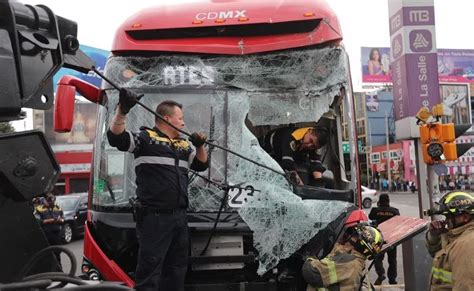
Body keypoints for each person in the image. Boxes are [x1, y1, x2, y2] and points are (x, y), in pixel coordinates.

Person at [107, 89, 209, 291]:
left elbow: (200, 165)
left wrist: (199, 146)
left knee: (177, 270)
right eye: (180, 118)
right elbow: (116, 138)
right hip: (154, 218)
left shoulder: (183, 145)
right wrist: (122, 111)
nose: (183, 123)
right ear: (167, 118)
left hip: (180, 217)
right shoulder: (146, 139)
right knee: (150, 272)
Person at [302, 223, 384, 290]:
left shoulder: (348, 261)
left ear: (360, 244)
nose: (350, 237)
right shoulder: (357, 262)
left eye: (355, 236)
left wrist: (310, 257)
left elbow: (312, 272)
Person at [425, 191, 474, 290]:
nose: (446, 221)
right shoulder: (458, 236)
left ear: (465, 217)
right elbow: (437, 254)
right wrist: (435, 236)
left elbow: (464, 286)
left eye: (449, 217)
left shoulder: (466, 244)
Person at [261, 126, 328, 186]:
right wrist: (302, 187)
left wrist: (319, 184)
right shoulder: (290, 136)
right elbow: (288, 165)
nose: (309, 145)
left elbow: (316, 164)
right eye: (310, 140)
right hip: (266, 151)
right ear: (309, 131)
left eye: (313, 146)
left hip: (290, 157)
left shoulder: (315, 145)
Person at [369, 193, 400, 285]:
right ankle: (392, 279)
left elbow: (370, 217)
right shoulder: (394, 211)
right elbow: (399, 221)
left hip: (379, 239)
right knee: (392, 260)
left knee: (377, 258)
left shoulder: (375, 210)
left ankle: (381, 273)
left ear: (379, 201)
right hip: (392, 238)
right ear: (388, 201)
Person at [34, 193, 65, 265]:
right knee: (47, 254)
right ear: (44, 200)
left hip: (57, 234)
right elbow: (37, 221)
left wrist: (61, 220)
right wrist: (49, 221)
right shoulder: (39, 209)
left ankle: (59, 270)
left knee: (57, 253)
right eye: (49, 200)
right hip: (46, 234)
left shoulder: (58, 208)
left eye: (52, 200)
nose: (51, 202)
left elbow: (63, 218)